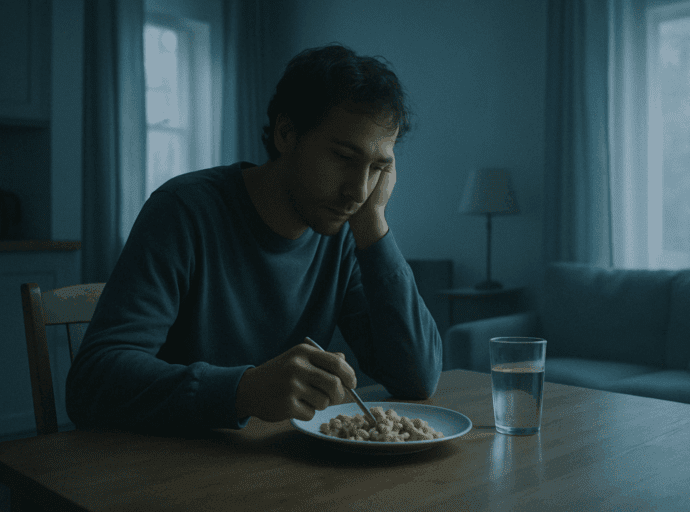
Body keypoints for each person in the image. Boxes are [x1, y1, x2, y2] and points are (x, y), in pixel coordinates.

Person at [66, 43, 442, 436]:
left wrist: (374, 222)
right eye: (344, 158)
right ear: (285, 133)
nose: (359, 191)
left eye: (378, 167)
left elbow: (417, 379)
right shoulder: (183, 211)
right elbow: (91, 382)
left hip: (265, 473)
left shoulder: (345, 229)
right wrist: (242, 390)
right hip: (159, 468)